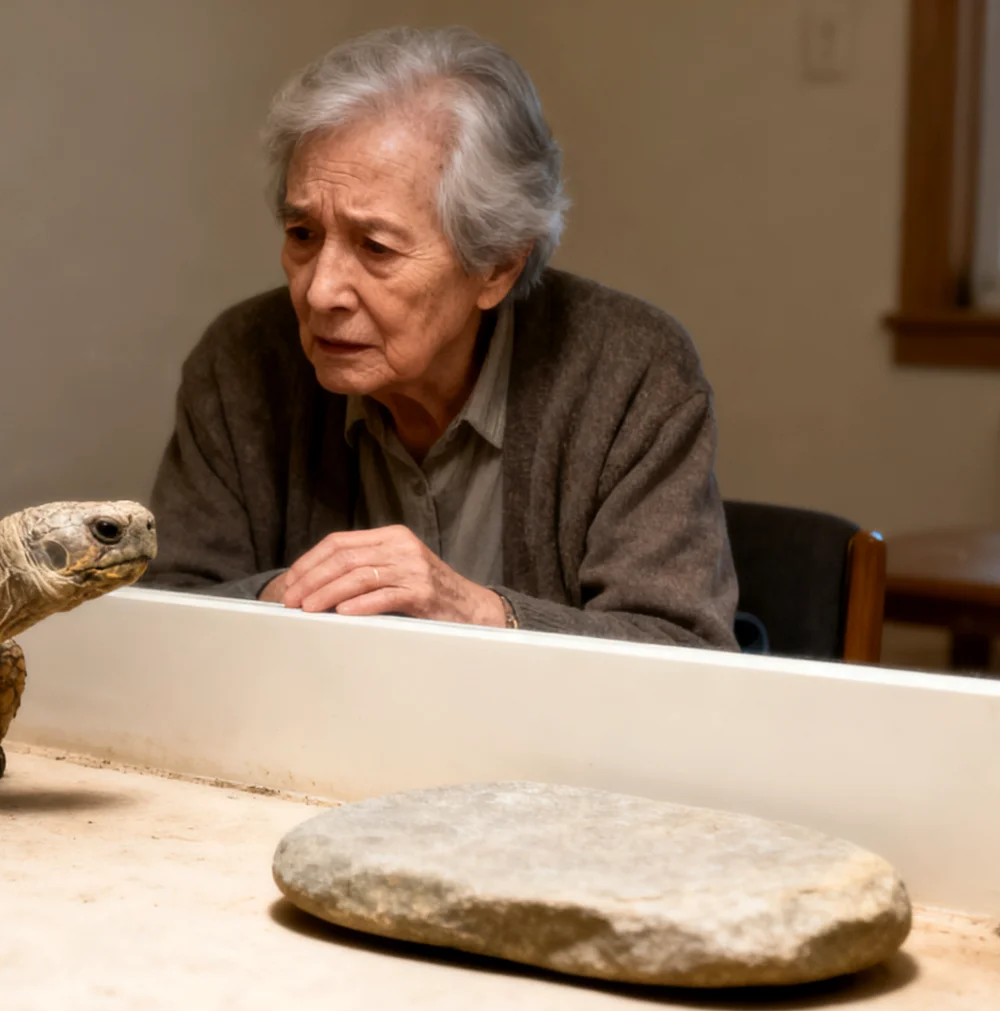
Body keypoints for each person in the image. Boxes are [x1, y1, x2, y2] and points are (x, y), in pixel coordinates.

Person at [144, 25, 739, 650]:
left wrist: (476, 612)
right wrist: (278, 601)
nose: (320, 292)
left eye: (375, 247)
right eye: (302, 235)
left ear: (496, 266)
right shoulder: (242, 362)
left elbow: (683, 650)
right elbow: (161, 611)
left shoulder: (629, 372)